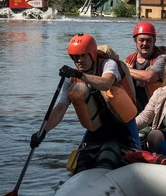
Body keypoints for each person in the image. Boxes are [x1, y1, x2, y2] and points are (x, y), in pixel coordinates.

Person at [30, 33, 140, 174]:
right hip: (98, 127)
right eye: (75, 57)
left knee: (121, 157)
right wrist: (43, 131)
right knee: (81, 164)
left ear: (93, 54)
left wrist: (80, 75)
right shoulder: (72, 79)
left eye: (83, 56)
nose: (79, 60)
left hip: (124, 125)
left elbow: (106, 83)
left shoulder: (109, 64)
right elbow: (60, 109)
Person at [125, 21, 166, 112]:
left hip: (157, 110)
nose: (145, 44)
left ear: (154, 41)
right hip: (134, 110)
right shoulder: (129, 61)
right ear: (135, 41)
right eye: (141, 40)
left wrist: (124, 69)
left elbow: (149, 77)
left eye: (148, 40)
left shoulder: (162, 59)